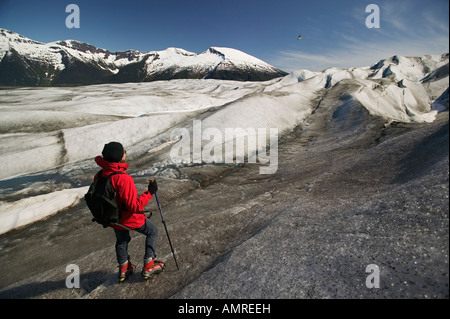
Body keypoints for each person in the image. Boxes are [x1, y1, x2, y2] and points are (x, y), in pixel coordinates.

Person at [94, 141, 165, 282]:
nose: (125, 153)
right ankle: (149, 265)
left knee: (121, 240)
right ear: (118, 156)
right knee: (152, 231)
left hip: (113, 218)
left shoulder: (101, 174)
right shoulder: (122, 178)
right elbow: (134, 206)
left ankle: (124, 269)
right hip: (128, 218)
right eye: (123, 152)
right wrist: (150, 192)